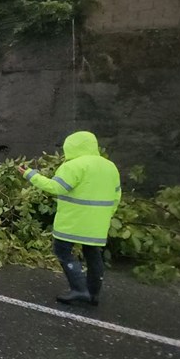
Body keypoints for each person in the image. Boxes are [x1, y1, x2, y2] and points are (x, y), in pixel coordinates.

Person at [19, 131, 121, 306]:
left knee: (63, 251)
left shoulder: (73, 166)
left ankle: (79, 289)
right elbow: (117, 195)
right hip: (98, 223)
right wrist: (105, 215)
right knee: (93, 254)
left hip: (73, 221)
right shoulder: (110, 166)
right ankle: (93, 293)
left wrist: (30, 175)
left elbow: (56, 187)